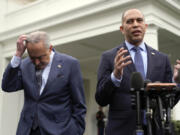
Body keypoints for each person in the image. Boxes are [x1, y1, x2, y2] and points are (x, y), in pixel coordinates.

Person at [95, 8, 180, 135]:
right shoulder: (109, 57)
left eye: (139, 20)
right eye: (129, 21)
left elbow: (170, 102)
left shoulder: (162, 59)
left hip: (155, 129)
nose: (135, 24)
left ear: (145, 27)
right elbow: (101, 99)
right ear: (122, 29)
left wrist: (176, 82)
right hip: (121, 130)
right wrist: (115, 77)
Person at [1, 31, 86, 135]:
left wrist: (75, 131)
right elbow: (8, 86)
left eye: (40, 57)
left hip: (59, 131)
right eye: (32, 58)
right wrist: (18, 55)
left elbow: (79, 105)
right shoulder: (25, 64)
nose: (36, 62)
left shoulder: (70, 64)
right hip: (28, 130)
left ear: (50, 49)